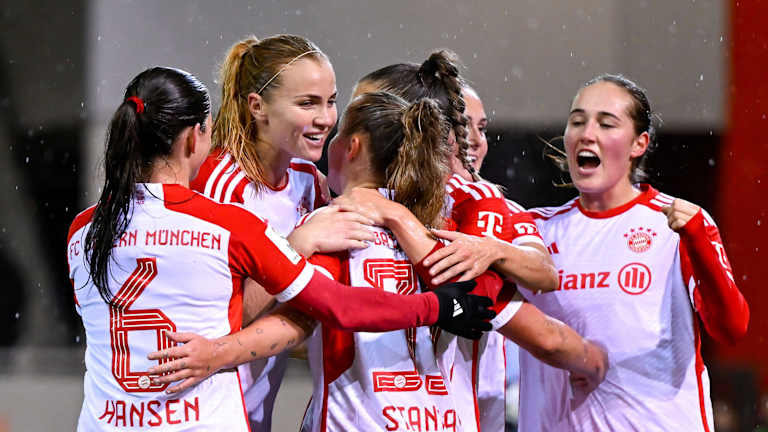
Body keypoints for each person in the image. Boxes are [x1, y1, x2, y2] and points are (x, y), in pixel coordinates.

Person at [67, 67, 494, 431]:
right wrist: (437, 307)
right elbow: (338, 307)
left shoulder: (82, 230)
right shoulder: (227, 224)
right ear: (193, 139)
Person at [337, 51, 607, 431]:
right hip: (410, 406)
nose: (475, 141)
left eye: (482, 128)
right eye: (463, 128)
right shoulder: (349, 205)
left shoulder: (484, 203)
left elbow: (538, 277)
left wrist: (493, 249)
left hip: (450, 405)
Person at [517, 74, 750, 431]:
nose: (587, 133)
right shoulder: (532, 232)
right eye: (577, 121)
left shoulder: (677, 223)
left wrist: (698, 241)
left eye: (606, 123)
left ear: (639, 143)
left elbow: (731, 328)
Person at [188, 34, 374, 431]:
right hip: (206, 407)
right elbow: (219, 321)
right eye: (307, 103)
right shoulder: (219, 186)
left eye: (330, 100)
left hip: (255, 407)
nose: (326, 118)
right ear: (258, 107)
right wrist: (297, 245)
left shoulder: (308, 179)